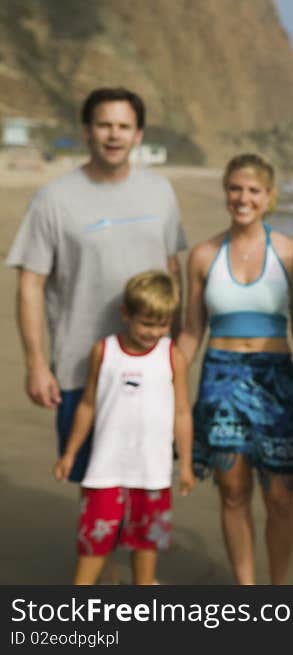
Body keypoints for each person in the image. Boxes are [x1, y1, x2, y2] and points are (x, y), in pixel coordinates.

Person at [6, 87, 187, 484]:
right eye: (104, 125)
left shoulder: (161, 193)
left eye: (124, 126)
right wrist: (36, 364)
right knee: (94, 486)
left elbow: (173, 271)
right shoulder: (54, 199)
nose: (114, 135)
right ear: (87, 131)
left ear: (139, 134)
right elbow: (31, 284)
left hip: (152, 369)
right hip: (82, 369)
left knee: (148, 485)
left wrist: (177, 349)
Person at [177, 153, 293, 585]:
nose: (242, 198)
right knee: (232, 492)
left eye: (253, 190)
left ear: (269, 197)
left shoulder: (290, 253)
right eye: (235, 188)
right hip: (220, 378)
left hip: (277, 378)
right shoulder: (202, 255)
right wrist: (166, 379)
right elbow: (191, 332)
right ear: (225, 192)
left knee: (282, 495)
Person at [53, 270, 194, 585]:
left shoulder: (172, 357)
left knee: (146, 548)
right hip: (105, 470)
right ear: (126, 315)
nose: (152, 332)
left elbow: (182, 413)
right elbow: (87, 405)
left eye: (161, 324)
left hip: (153, 472)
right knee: (93, 544)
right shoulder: (104, 352)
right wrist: (70, 454)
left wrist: (185, 464)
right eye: (146, 323)